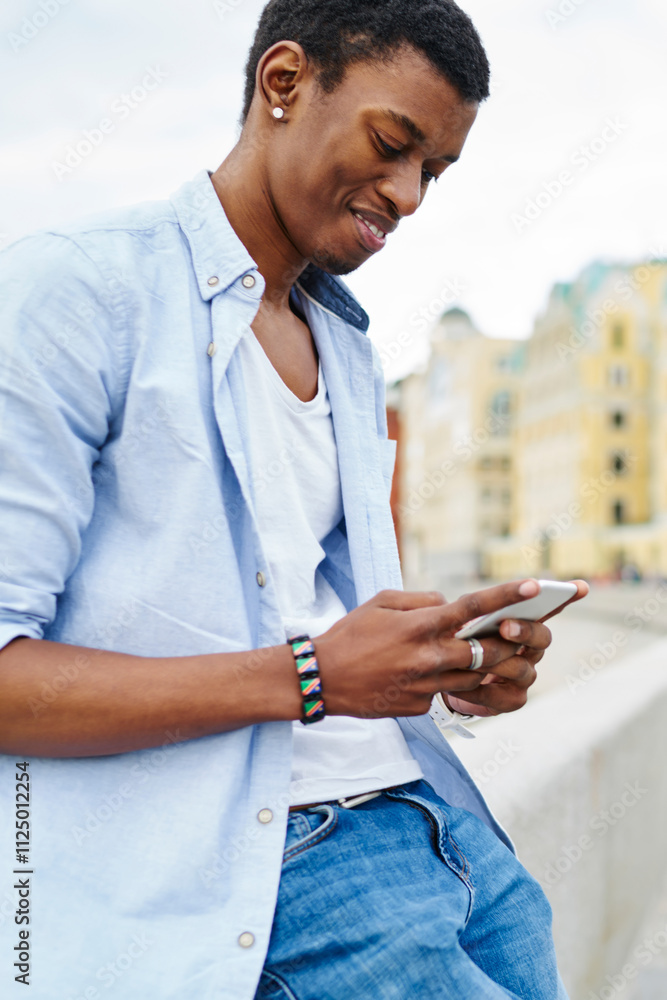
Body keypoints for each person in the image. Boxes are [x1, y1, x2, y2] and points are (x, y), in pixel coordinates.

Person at [0, 1, 588, 997]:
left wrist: (445, 665)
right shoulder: (78, 290)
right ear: (284, 83)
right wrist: (312, 676)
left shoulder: (347, 346)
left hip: (444, 829)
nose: (407, 195)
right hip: (271, 867)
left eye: (435, 171)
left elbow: (323, 619)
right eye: (392, 144)